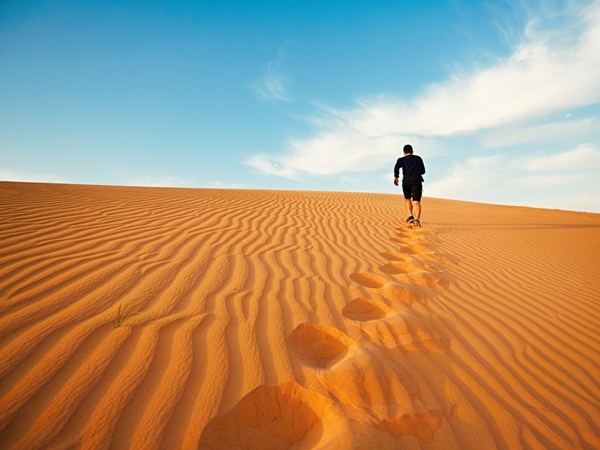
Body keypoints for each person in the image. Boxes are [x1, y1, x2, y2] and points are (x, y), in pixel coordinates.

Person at [393, 144, 426, 227]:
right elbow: (423, 171)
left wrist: (396, 177)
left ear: (404, 152)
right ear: (412, 151)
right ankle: (417, 220)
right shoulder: (418, 159)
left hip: (406, 181)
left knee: (407, 199)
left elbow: (396, 167)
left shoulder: (401, 160)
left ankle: (410, 216)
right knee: (416, 201)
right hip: (417, 181)